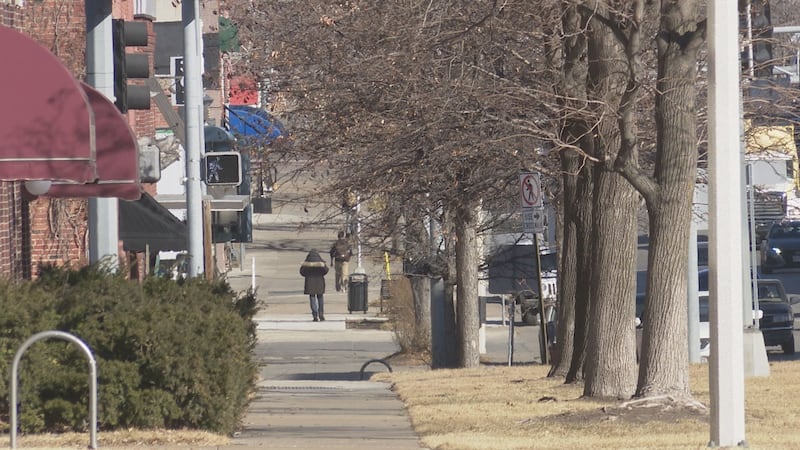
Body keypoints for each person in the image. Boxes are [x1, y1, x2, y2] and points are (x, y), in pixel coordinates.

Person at [300, 250, 329, 321]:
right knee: (320, 298)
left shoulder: (307, 263)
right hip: (320, 282)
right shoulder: (321, 263)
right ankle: (321, 314)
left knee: (312, 298)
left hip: (310, 283)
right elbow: (326, 271)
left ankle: (315, 315)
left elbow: (302, 272)